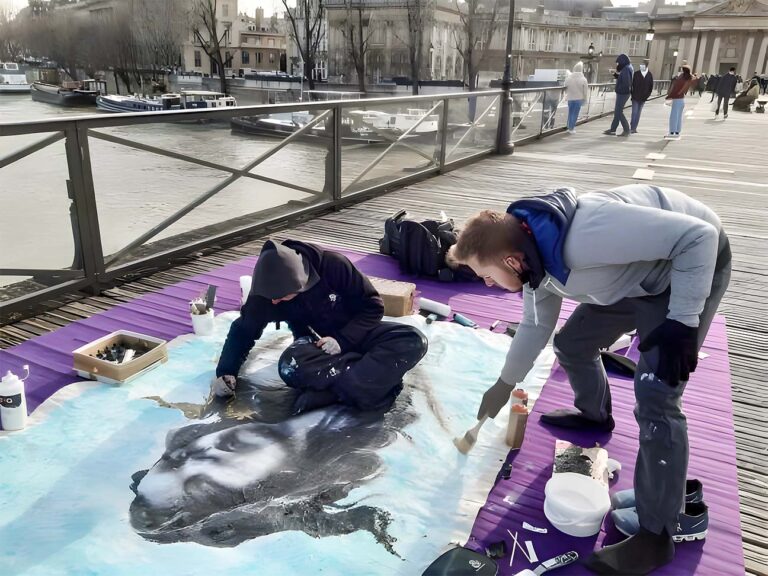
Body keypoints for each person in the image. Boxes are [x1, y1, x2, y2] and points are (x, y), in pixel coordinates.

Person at [449, 184, 730, 576]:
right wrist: (503, 384)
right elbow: (534, 325)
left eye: (487, 275)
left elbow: (699, 238)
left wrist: (683, 321)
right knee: (573, 342)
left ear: (511, 261)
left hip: (688, 267)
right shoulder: (533, 263)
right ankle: (594, 413)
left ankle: (657, 534)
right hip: (635, 276)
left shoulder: (586, 237)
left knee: (656, 395)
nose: (486, 285)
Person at [213, 239, 428, 414]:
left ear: (302, 283)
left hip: (357, 331)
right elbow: (243, 330)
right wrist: (226, 371)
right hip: (318, 346)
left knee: (413, 340)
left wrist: (342, 341)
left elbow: (372, 306)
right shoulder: (266, 294)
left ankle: (333, 392)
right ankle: (368, 383)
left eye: (282, 297)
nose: (275, 303)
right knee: (291, 366)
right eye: (271, 299)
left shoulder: (334, 266)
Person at [604, 54, 633, 137]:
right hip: (624, 92)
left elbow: (626, 82)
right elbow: (623, 78)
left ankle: (626, 129)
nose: (617, 65)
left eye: (618, 63)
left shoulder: (626, 69)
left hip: (622, 93)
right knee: (617, 112)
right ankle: (613, 129)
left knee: (618, 112)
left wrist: (620, 87)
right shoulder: (628, 67)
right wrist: (615, 74)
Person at [665, 64, 695, 138]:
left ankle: (672, 132)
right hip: (682, 100)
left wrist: (669, 96)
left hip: (677, 99)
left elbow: (675, 89)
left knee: (673, 116)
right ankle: (677, 131)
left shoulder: (680, 78)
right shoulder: (688, 78)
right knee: (679, 117)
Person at [564, 61, 589, 134]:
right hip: (579, 98)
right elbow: (585, 91)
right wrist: (585, 99)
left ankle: (569, 127)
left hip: (570, 98)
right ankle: (571, 128)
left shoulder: (569, 78)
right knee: (575, 114)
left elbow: (565, 86)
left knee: (570, 113)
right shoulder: (583, 79)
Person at [630, 59, 654, 134]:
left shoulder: (649, 75)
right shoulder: (636, 74)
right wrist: (632, 93)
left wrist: (647, 96)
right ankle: (632, 127)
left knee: (638, 113)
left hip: (643, 98)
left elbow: (650, 87)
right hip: (635, 96)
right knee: (634, 112)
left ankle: (634, 128)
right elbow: (632, 84)